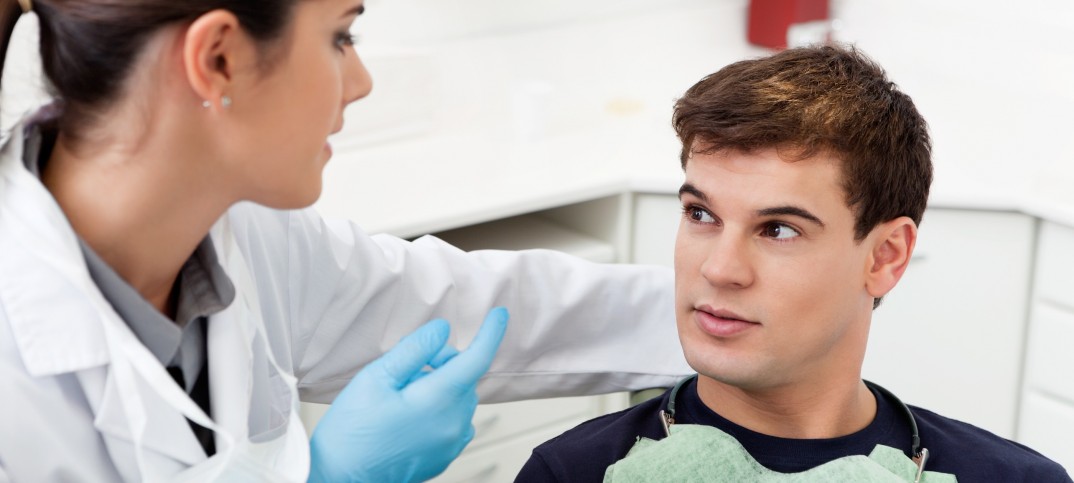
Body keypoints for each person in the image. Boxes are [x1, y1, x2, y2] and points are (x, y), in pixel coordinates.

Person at [0, 0, 690, 481]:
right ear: (218, 58)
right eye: (340, 37)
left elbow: (471, 302)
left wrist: (711, 312)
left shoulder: (248, 239)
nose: (360, 83)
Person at [515, 45, 1072, 482]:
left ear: (885, 256)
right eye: (701, 214)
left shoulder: (1018, 480)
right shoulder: (570, 473)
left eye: (778, 229)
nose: (720, 270)